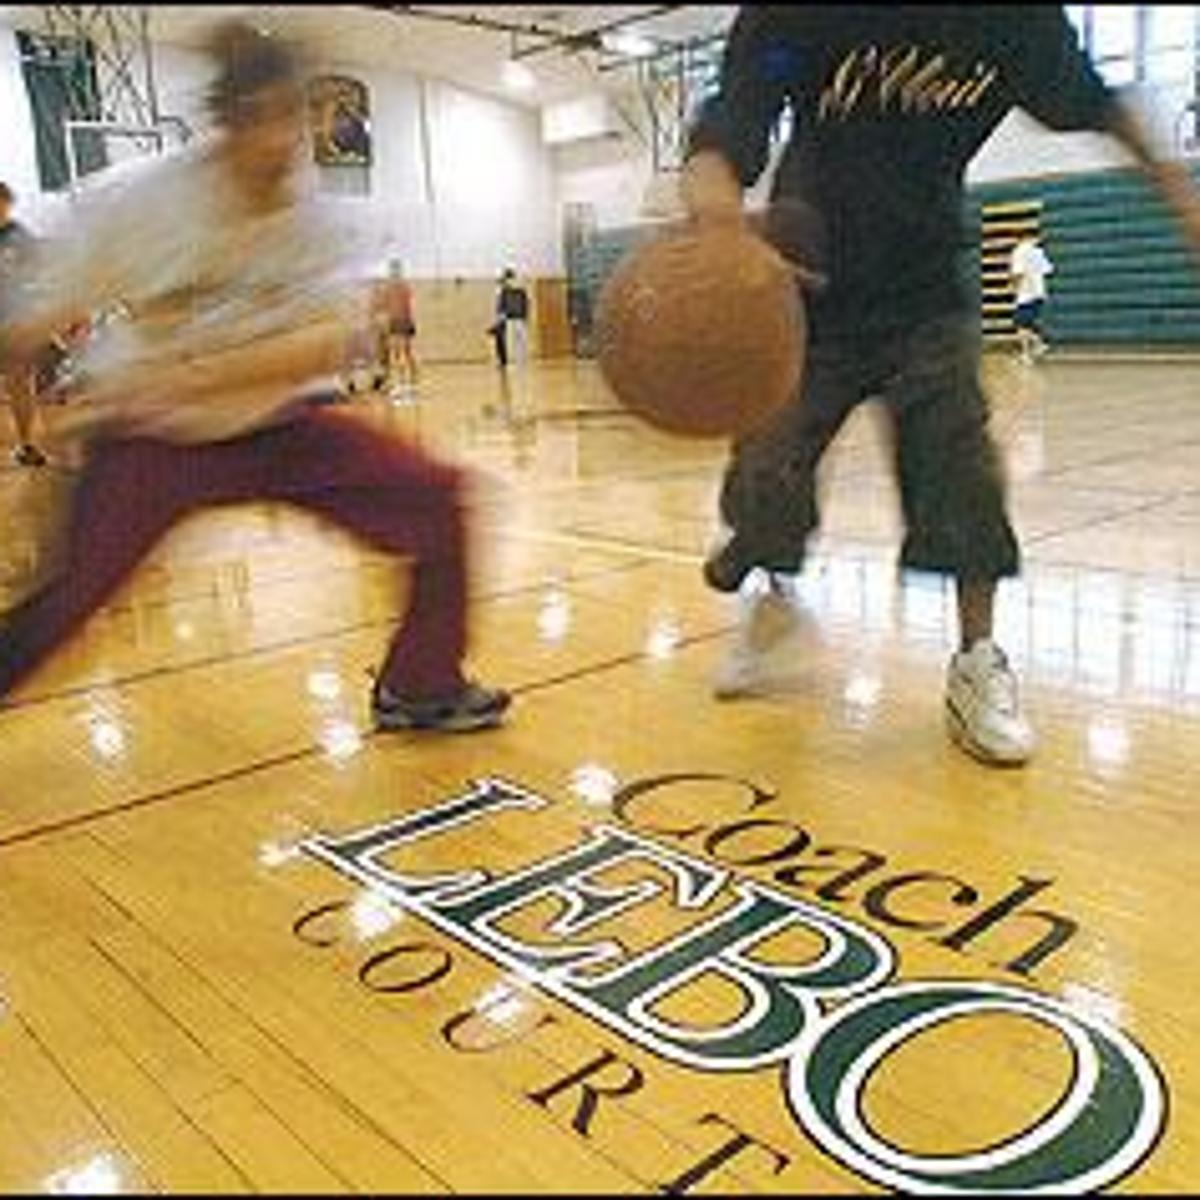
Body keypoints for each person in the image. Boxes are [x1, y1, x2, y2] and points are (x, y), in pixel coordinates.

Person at [684, 5, 1200, 767]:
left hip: (924, 291)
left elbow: (1098, 104)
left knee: (962, 473)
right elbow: (730, 125)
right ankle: (774, 599)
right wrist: (719, 218)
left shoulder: (1008, 18)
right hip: (807, 288)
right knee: (765, 470)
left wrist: (1180, 197)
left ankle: (975, 661)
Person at [0, 21, 509, 734]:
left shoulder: (314, 216)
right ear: (223, 127)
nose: (277, 145)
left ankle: (420, 684)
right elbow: (30, 323)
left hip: (277, 427)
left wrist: (194, 371)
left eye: (290, 124)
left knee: (436, 499)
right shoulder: (143, 202)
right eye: (256, 124)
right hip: (156, 439)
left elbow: (327, 344)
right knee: (64, 602)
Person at [0, 182, 47, 467]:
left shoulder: (20, 237)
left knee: (19, 383)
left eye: (4, 204)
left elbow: (40, 270)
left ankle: (27, 444)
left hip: (14, 319)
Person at [372, 257, 419, 395]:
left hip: (403, 321)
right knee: (398, 352)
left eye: (395, 269)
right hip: (395, 322)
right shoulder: (390, 286)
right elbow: (384, 305)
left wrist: (408, 321)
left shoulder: (403, 286)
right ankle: (402, 381)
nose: (394, 272)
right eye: (392, 269)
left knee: (405, 351)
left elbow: (406, 305)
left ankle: (411, 379)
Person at [1010, 233, 1054, 363]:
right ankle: (1040, 344)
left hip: (1025, 294)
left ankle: (1026, 354)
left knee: (1021, 324)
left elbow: (1018, 273)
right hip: (1039, 293)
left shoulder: (1019, 251)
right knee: (1028, 323)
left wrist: (1015, 288)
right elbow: (1048, 270)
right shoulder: (1038, 252)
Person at [495, 268, 530, 367]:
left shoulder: (519, 290)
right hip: (510, 318)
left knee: (521, 340)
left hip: (518, 318)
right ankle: (514, 360)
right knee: (513, 341)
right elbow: (501, 305)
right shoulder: (504, 291)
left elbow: (525, 304)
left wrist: (525, 316)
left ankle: (521, 360)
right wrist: (501, 316)